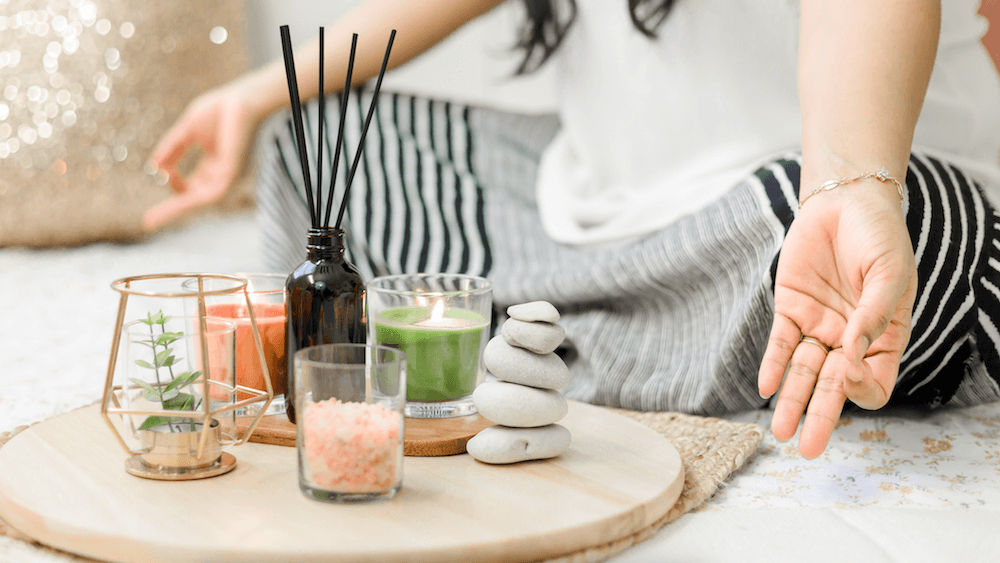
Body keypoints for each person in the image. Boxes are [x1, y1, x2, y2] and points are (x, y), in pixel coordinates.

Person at [146, 0, 1000, 459]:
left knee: (914, 241)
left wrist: (852, 182)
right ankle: (604, 340)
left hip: (824, 204)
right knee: (314, 139)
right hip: (595, 215)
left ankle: (542, 342)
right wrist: (254, 95)